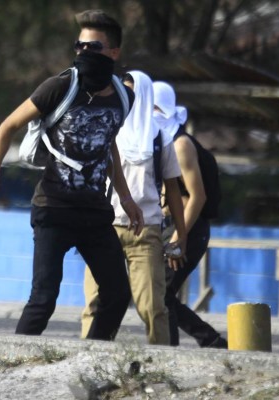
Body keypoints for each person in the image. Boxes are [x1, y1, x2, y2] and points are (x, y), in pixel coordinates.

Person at [0, 9, 144, 341]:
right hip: (53, 207)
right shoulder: (61, 86)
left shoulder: (125, 98)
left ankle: (92, 356)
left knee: (117, 294)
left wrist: (125, 196)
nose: (82, 52)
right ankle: (15, 360)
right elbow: (8, 125)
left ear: (113, 52)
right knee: (44, 298)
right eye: (78, 46)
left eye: (92, 47)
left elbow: (107, 146)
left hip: (94, 211)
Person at [80, 71, 187, 345]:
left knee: (152, 307)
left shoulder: (159, 138)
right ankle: (86, 361)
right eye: (122, 93)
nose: (125, 99)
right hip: (104, 232)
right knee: (95, 304)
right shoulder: (106, 131)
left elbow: (173, 190)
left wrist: (181, 236)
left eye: (131, 93)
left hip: (146, 235)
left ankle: (159, 366)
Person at [153, 81, 228, 348]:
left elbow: (197, 196)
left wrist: (178, 237)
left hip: (188, 228)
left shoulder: (181, 145)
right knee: (160, 293)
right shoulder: (163, 141)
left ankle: (183, 348)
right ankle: (210, 341)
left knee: (161, 293)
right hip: (174, 225)